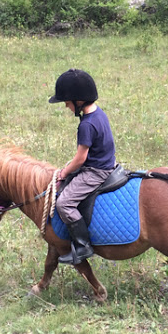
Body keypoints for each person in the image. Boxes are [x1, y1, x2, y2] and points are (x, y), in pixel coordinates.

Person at [49, 69, 116, 265]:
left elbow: (80, 158)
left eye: (67, 102)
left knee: (64, 204)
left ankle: (82, 246)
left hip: (96, 171)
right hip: (105, 162)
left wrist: (65, 171)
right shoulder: (99, 113)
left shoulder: (86, 125)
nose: (67, 107)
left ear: (78, 101)